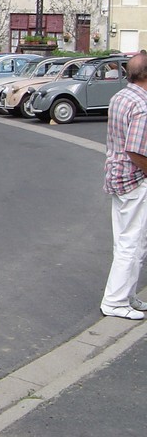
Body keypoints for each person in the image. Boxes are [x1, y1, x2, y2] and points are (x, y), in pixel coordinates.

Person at [101, 53, 147, 319]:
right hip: (134, 179)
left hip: (117, 176)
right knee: (132, 243)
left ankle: (126, 296)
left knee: (127, 241)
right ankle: (116, 302)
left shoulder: (121, 97)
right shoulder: (143, 105)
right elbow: (136, 150)